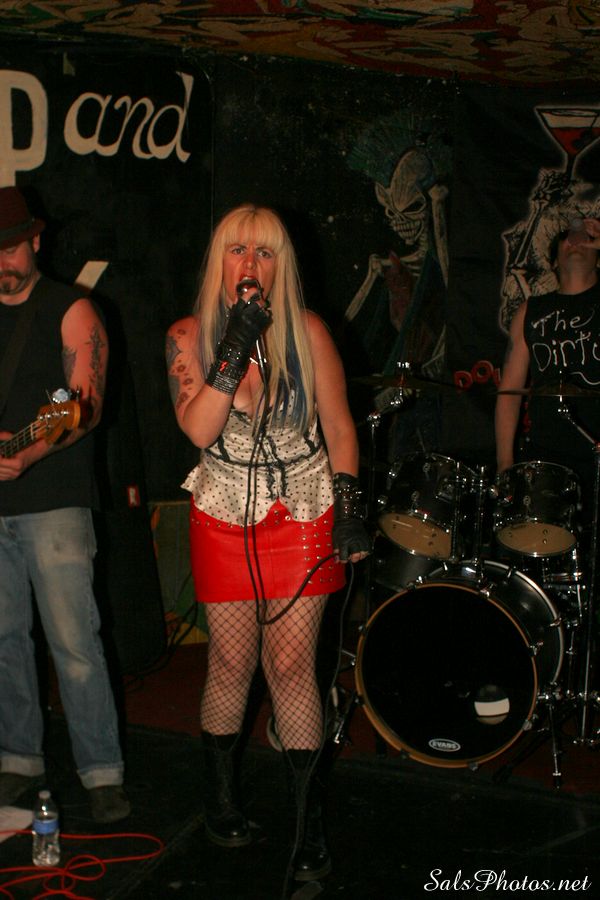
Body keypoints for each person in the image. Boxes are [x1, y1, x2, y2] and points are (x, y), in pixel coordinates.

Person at [166, 203, 370, 881]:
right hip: (223, 509)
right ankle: (221, 800)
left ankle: (308, 827)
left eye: (264, 252)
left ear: (280, 266)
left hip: (302, 507)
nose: (249, 264)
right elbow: (199, 430)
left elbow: (340, 426)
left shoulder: (307, 332)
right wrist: (233, 346)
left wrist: (349, 508)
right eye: (237, 250)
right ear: (218, 261)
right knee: (230, 663)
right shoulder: (188, 336)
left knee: (290, 666)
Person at [0, 186, 130, 824]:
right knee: (3, 641)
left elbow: (85, 405)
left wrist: (28, 453)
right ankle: (19, 758)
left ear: (36, 239)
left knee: (74, 642)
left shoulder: (71, 309)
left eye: (10, 247)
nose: (2, 261)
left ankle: (101, 771)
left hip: (54, 502)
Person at [495, 216, 600, 530]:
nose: (576, 242)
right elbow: (510, 393)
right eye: (568, 238)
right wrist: (505, 464)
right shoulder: (532, 310)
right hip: (547, 456)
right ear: (554, 261)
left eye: (586, 239)